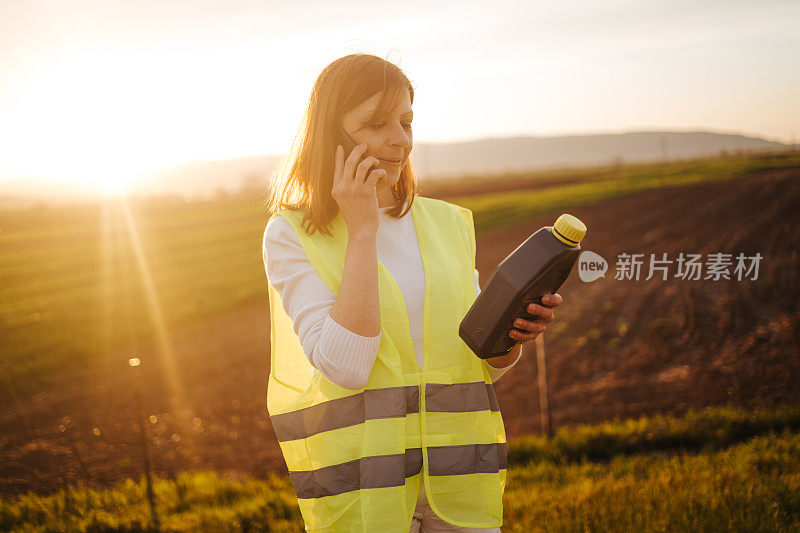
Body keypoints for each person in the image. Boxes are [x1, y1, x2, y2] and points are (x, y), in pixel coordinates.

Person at [261, 53, 563, 533]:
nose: (399, 140)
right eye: (376, 123)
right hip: (366, 492)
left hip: (459, 484)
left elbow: (476, 365)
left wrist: (511, 341)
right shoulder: (291, 235)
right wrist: (362, 230)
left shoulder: (448, 224)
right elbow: (347, 366)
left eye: (405, 122)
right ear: (330, 135)